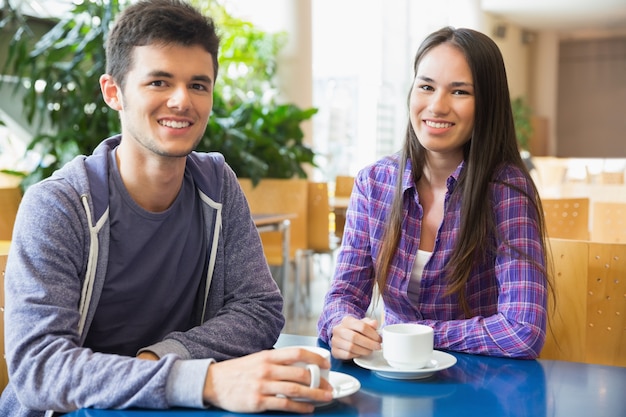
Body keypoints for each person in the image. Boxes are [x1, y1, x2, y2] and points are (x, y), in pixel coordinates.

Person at [0, 1, 332, 415]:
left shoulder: (217, 184)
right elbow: (39, 370)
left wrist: (157, 360)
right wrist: (202, 379)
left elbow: (259, 309)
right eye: (159, 82)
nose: (181, 100)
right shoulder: (59, 205)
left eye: (198, 85)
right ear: (113, 92)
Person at [318, 26, 551, 361]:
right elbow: (342, 296)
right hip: (392, 370)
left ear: (487, 104)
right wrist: (341, 326)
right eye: (426, 86)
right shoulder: (374, 183)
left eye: (459, 92)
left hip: (477, 380)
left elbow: (522, 331)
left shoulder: (506, 191)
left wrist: (414, 336)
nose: (437, 106)